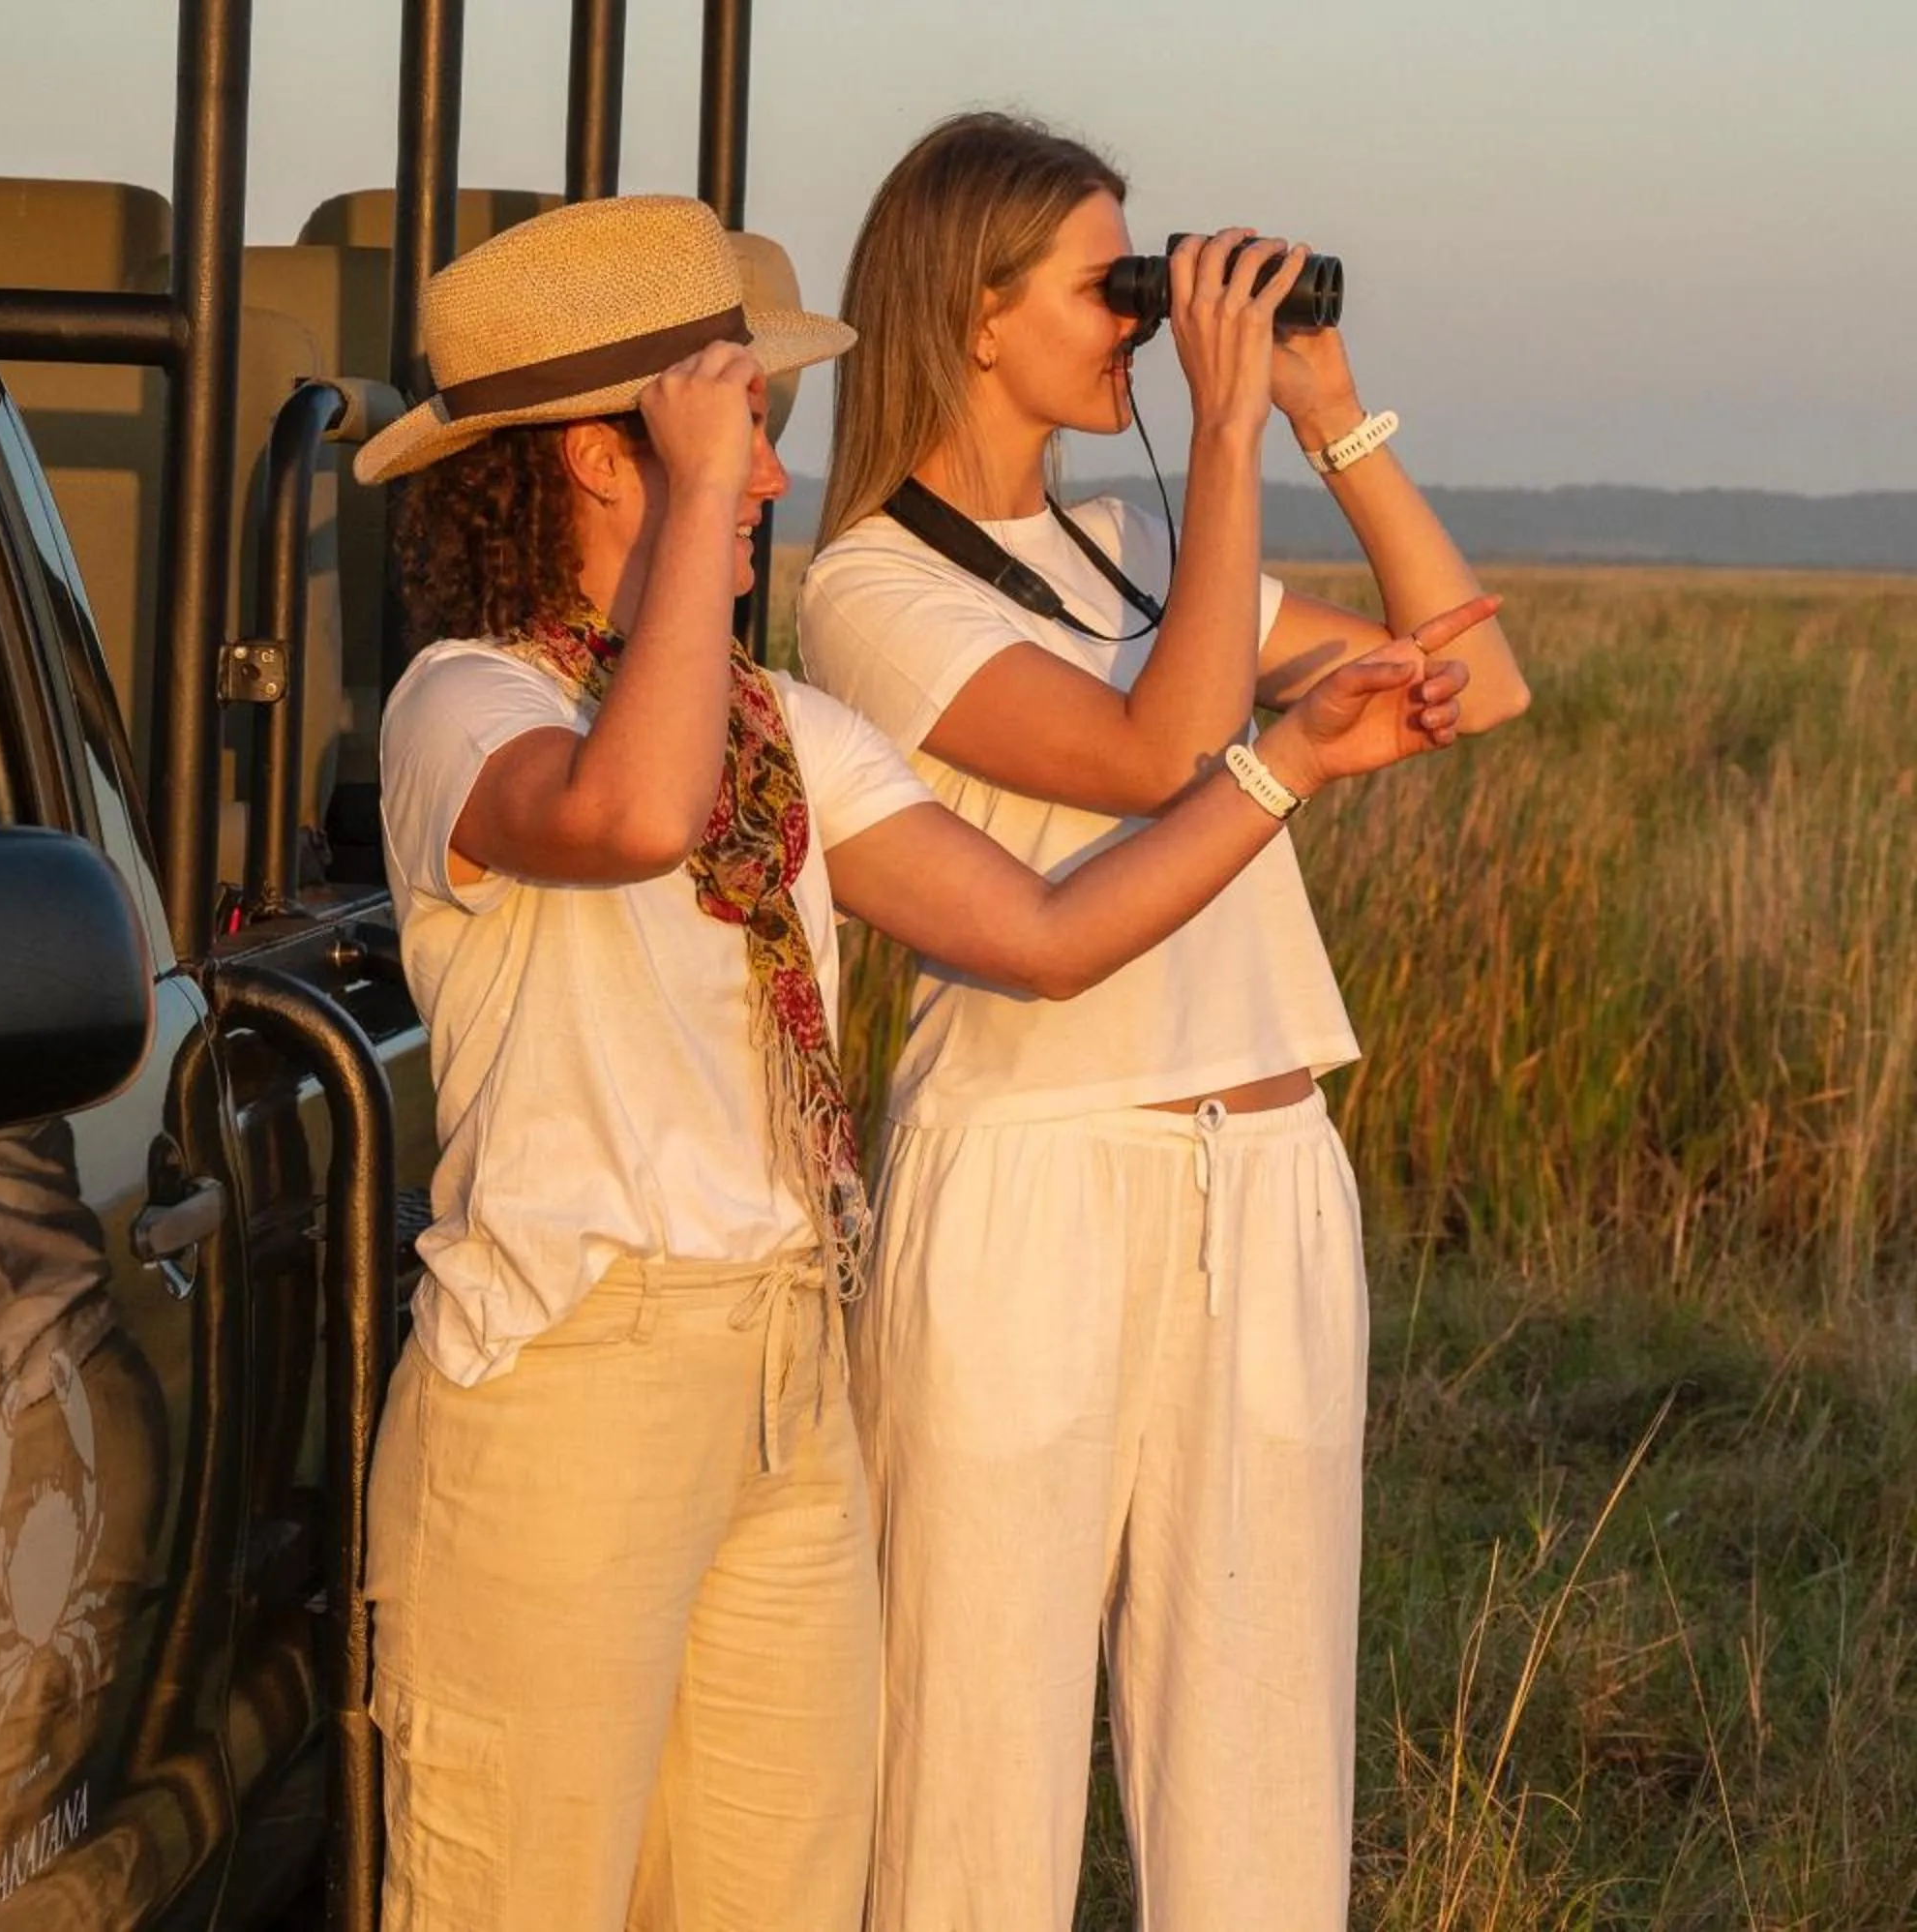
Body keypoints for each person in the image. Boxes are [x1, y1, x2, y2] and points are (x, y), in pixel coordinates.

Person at [351, 195, 1481, 1932]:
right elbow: (634, 813)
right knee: (525, 1889)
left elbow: (1042, 932)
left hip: (783, 1377)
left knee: (783, 1891)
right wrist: (691, 520)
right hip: (572, 1384)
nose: (774, 482)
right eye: (740, 433)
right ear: (601, 459)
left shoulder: (774, 728)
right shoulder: (463, 706)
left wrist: (1285, 774)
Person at [799, 113, 1532, 1930]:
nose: (1143, 319)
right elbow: (1159, 751)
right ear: (973, 317)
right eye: (1106, 287)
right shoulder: (866, 592)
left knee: (1264, 1751)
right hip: (1039, 1176)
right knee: (981, 1752)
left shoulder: (1134, 542)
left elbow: (1484, 676)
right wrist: (1215, 430)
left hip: (1265, 1169)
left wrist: (1321, 409)